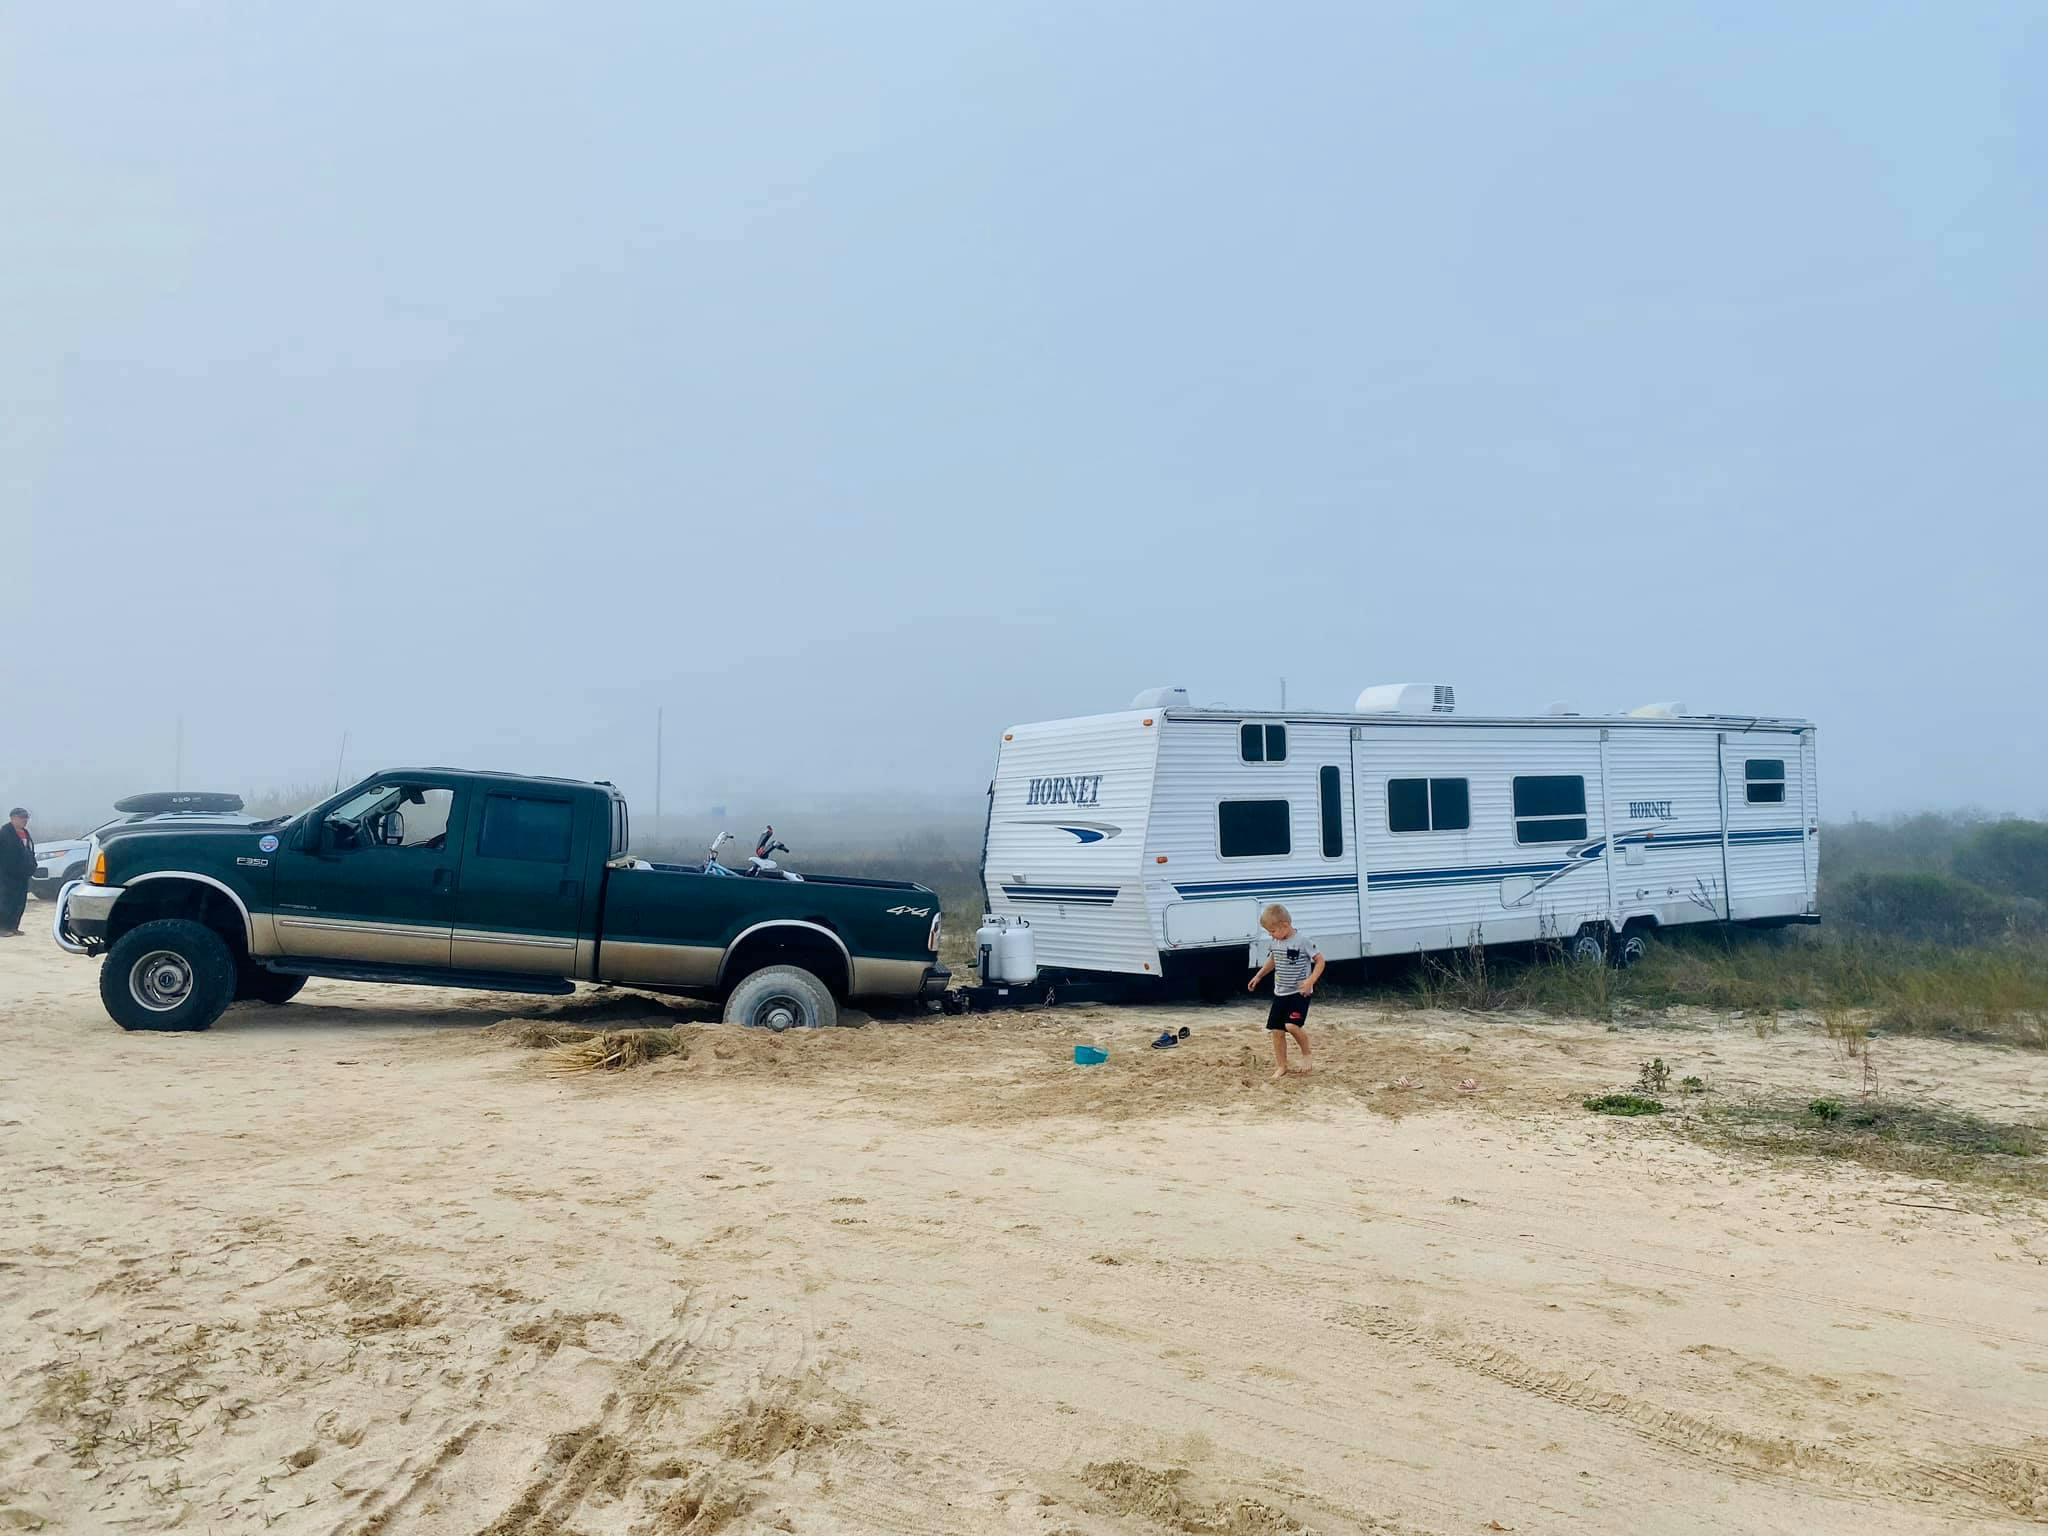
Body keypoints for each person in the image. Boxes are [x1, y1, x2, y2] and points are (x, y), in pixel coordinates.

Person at [1247, 902, 1322, 1079]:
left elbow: (1320, 961)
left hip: (1299, 993)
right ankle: (1282, 1066)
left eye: (1272, 931)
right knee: (1277, 1031)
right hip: (1280, 992)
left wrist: (1310, 981)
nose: (1270, 935)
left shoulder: (1302, 941)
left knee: (1291, 1025)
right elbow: (1273, 960)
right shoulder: (1276, 941)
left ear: (1285, 925)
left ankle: (1306, 1053)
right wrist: (1258, 976)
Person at [1, 807, 33, 937]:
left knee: (19, 901)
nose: (24, 820)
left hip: (22, 874)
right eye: (21, 817)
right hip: (7, 875)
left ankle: (13, 926)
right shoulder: (4, 833)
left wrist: (32, 865)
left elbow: (29, 851)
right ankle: (2, 927)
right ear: (13, 818)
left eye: (26, 817)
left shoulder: (25, 833)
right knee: (6, 901)